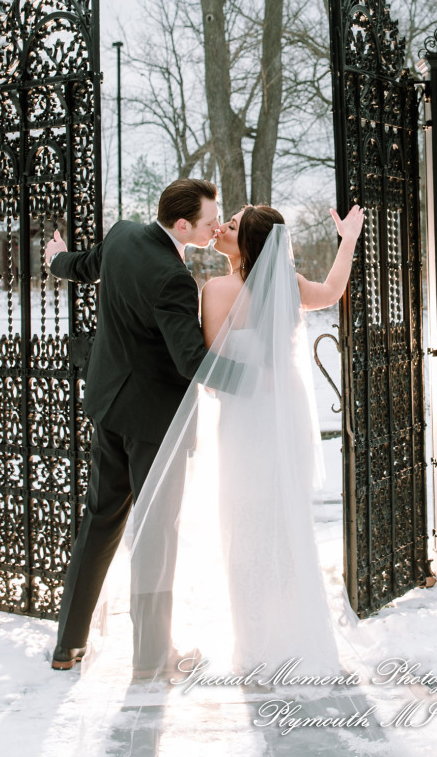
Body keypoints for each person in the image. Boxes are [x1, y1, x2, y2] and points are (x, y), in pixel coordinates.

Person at [113, 201, 364, 684]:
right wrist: (347, 240)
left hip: (244, 418)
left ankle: (255, 644)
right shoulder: (288, 285)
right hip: (285, 413)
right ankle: (296, 637)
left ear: (246, 243)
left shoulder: (216, 290)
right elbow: (333, 291)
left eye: (229, 226)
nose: (220, 229)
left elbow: (209, 367)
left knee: (244, 521)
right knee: (285, 520)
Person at [43, 178, 224, 672]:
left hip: (109, 409)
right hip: (155, 428)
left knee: (99, 521)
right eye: (210, 222)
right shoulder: (173, 278)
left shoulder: (122, 235)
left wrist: (56, 259)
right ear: (182, 224)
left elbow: (83, 265)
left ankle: (68, 645)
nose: (216, 228)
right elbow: (192, 362)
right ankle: (151, 657)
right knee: (155, 535)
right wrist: (254, 381)